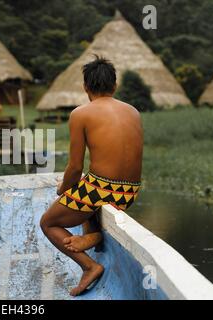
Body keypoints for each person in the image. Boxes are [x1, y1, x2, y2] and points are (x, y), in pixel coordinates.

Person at [40, 55, 143, 296]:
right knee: (87, 185)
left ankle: (89, 266)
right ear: (114, 86)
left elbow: (75, 167)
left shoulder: (80, 114)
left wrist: (61, 188)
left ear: (86, 87)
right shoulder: (133, 111)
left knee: (48, 222)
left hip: (101, 190)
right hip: (130, 192)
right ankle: (93, 235)